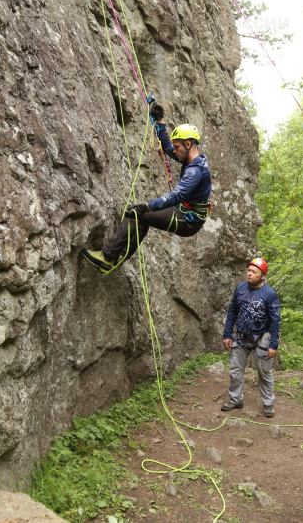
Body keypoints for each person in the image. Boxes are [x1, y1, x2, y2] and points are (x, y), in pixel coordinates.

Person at [80, 100, 211, 273]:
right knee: (141, 217)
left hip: (188, 220)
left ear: (188, 145)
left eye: (178, 147)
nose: (175, 150)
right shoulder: (188, 158)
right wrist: (160, 121)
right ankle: (113, 259)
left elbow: (176, 196)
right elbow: (167, 146)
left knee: (139, 213)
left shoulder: (196, 171)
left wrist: (147, 206)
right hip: (185, 214)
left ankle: (108, 257)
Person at [221, 258, 281, 418]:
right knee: (235, 369)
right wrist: (227, 334)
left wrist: (273, 345)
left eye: (254, 272)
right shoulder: (240, 288)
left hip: (263, 335)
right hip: (242, 334)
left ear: (262, 276)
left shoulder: (270, 294)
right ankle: (235, 399)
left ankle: (268, 403)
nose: (249, 273)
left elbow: (276, 321)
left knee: (264, 371)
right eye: (249, 270)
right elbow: (232, 310)